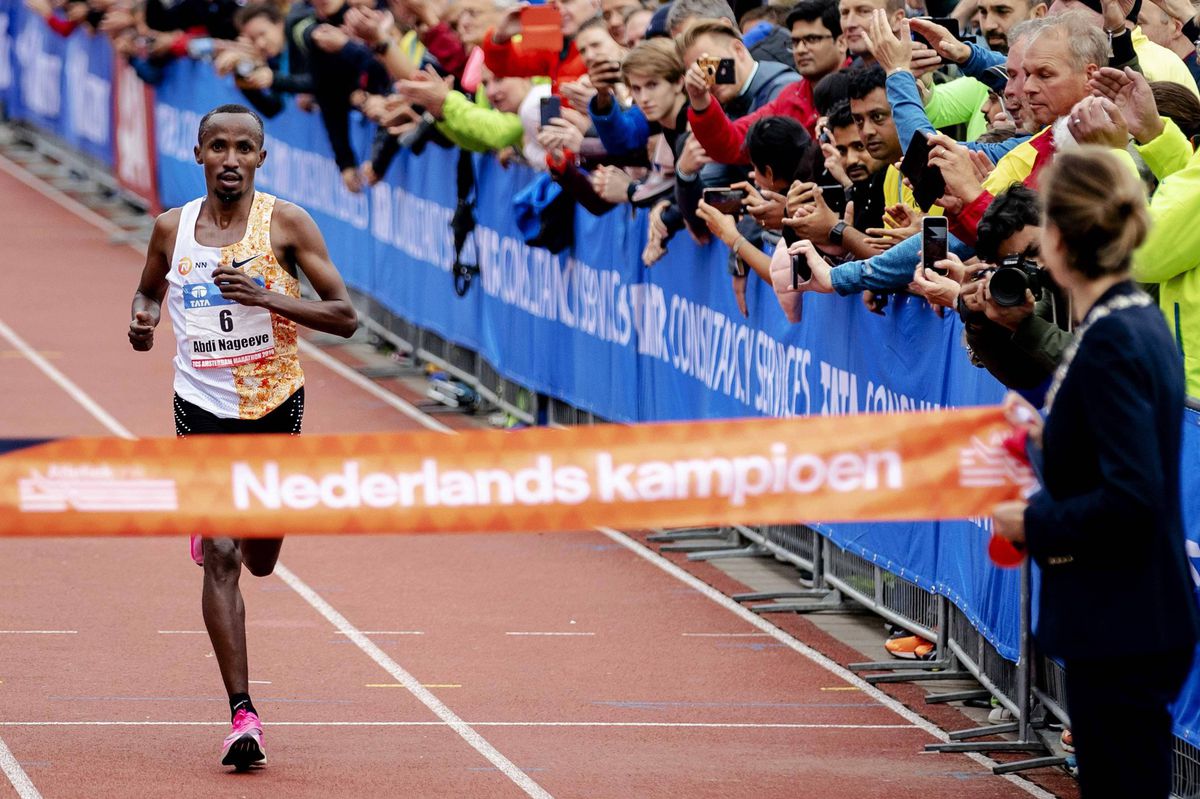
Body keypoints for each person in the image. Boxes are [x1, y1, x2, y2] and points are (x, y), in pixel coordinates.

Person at [126, 104, 358, 770]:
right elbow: (146, 293)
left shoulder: (285, 224)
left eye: (244, 148)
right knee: (224, 555)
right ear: (198, 153)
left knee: (260, 555)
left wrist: (267, 298)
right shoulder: (171, 229)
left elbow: (345, 317)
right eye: (219, 147)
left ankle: (239, 526)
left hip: (274, 403)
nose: (231, 158)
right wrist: (142, 322)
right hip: (199, 405)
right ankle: (242, 713)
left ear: (262, 158)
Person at [992, 147, 1199, 797]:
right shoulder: (1130, 315)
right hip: (1129, 613)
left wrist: (1032, 519)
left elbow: (1132, 496)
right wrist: (1048, 436)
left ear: (1057, 238)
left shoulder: (1113, 334)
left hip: (1122, 617)